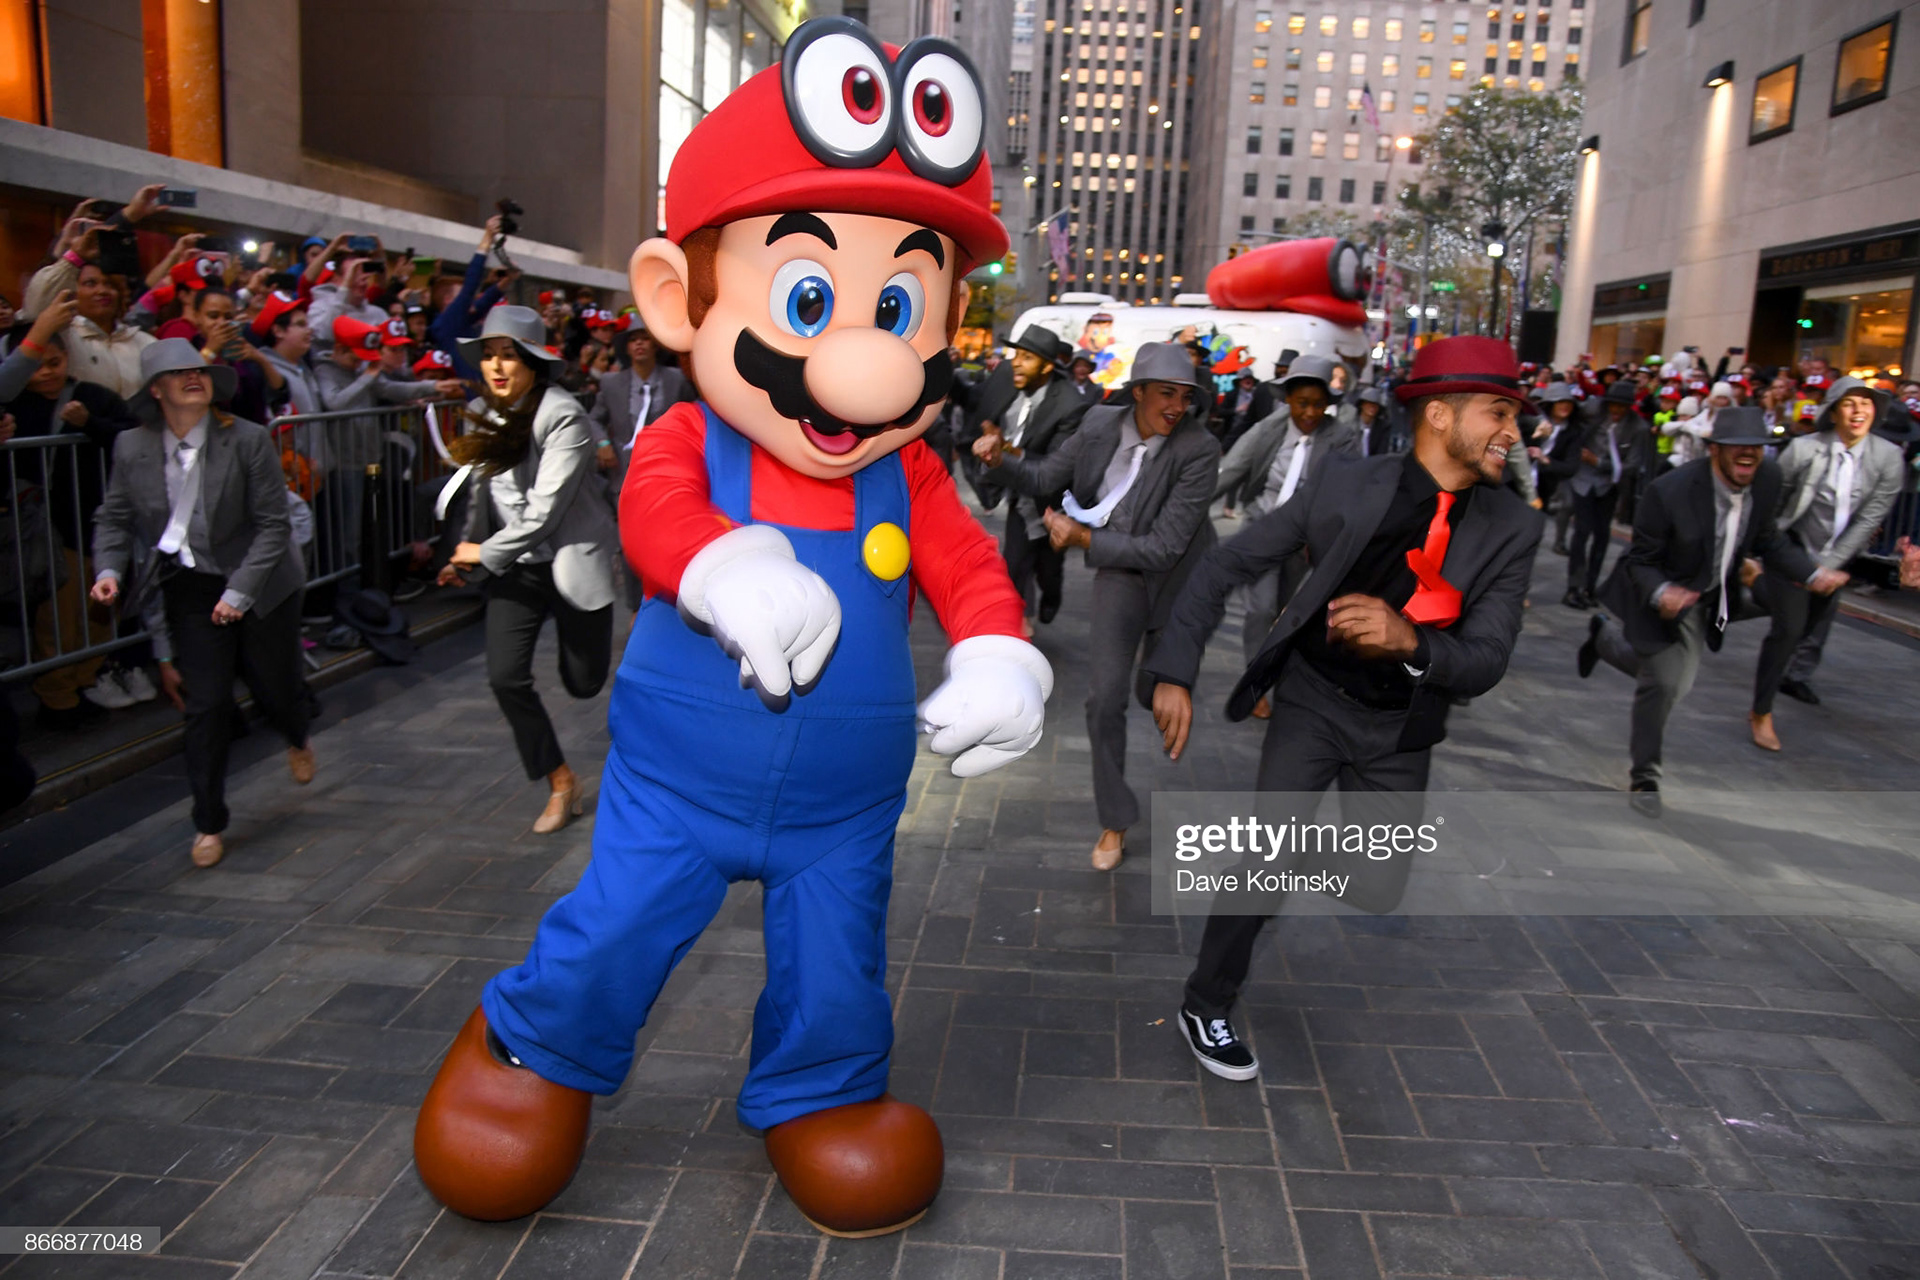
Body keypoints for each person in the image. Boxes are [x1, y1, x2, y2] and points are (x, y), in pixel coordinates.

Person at [414, 23, 1050, 1236]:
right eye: (810, 299)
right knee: (617, 928)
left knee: (838, 965)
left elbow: (968, 562)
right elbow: (653, 509)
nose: (864, 365)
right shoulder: (693, 437)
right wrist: (723, 562)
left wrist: (997, 647)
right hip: (678, 787)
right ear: (677, 296)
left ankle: (820, 1091)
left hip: (846, 807)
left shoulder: (906, 475)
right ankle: (529, 1050)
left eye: (901, 305)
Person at [1143, 335, 1543, 1080]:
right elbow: (1229, 562)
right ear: (1439, 415)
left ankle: (1276, 855)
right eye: (1499, 413)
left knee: (1376, 882)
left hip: (1401, 725)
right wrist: (1174, 670)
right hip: (1315, 701)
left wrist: (1410, 641)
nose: (1514, 434)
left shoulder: (1513, 527)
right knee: (1264, 854)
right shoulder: (1346, 484)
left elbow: (1486, 660)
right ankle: (1207, 1000)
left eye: (1514, 417)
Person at [977, 342, 1220, 870]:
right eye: (1165, 394)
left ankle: (1154, 677)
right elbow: (1044, 478)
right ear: (1137, 392)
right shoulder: (1098, 425)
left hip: (1181, 582)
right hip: (1121, 575)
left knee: (1151, 686)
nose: (1176, 406)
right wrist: (1001, 459)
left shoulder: (1199, 448)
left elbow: (1164, 549)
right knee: (1104, 700)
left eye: (1184, 396)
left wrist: (1085, 540)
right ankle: (1115, 820)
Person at [89, 339, 313, 869]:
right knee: (206, 704)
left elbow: (273, 527)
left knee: (276, 686)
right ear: (156, 390)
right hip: (191, 588)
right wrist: (107, 571)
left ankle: (296, 733)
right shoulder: (132, 448)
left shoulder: (250, 440)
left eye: (201, 370)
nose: (194, 377)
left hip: (260, 582)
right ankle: (208, 821)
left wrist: (239, 595)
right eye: (179, 372)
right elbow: (114, 519)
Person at [1577, 408, 1839, 814]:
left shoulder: (1767, 479)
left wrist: (1814, 572)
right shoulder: (1670, 491)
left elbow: (1767, 538)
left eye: (1757, 448)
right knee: (1665, 685)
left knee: (1673, 674)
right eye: (1739, 448)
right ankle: (1646, 778)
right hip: (1669, 593)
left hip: (1721, 592)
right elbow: (1639, 560)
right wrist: (1663, 592)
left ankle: (1604, 637)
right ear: (1715, 449)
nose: (1749, 455)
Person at [435, 306, 619, 832]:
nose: (495, 366)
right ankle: (560, 780)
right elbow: (478, 493)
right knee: (504, 676)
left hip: (569, 559)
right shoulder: (483, 410)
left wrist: (484, 552)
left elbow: (545, 511)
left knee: (583, 683)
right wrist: (463, 558)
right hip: (514, 566)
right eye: (488, 355)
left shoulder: (563, 415)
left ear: (534, 362)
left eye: (508, 355)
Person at [0, 295, 142, 724]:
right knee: (57, 618)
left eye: (56, 360)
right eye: (37, 363)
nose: (48, 371)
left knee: (99, 609)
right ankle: (56, 693)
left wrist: (89, 425)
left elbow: (134, 438)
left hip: (99, 521)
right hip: (48, 527)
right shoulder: (14, 408)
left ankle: (86, 677)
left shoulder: (93, 396)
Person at [1749, 376, 1904, 747]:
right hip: (1792, 546)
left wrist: (1830, 566)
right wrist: (1772, 553)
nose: (1858, 411)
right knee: (1786, 631)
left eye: (1866, 404)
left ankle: (1751, 587)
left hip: (1839, 556)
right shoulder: (1803, 450)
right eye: (1849, 404)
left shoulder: (1888, 457)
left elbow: (1870, 517)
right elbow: (1774, 505)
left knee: (1807, 626)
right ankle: (1761, 712)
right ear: (1833, 411)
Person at [1233, 355, 1361, 713]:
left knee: (1287, 614)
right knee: (1260, 608)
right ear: (1288, 399)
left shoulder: (1341, 439)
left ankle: (1284, 674)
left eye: (1318, 405)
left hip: (1305, 540)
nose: (1309, 413)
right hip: (1263, 528)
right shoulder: (1269, 429)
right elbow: (1234, 468)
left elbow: (1348, 494)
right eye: (1302, 403)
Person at [967, 326, 1089, 626]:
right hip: (1020, 496)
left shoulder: (1070, 404)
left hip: (1052, 501)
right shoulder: (1009, 377)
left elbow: (1054, 467)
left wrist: (1006, 448)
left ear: (1047, 366)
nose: (1017, 363)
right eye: (1016, 355)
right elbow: (975, 402)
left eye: (1027, 357)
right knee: (1014, 563)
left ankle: (1051, 595)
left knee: (1048, 568)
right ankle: (1013, 621)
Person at [586, 318, 696, 574]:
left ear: (655, 344)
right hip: (625, 473)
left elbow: (695, 412)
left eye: (644, 338)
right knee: (631, 541)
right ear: (626, 347)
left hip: (667, 473)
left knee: (667, 536)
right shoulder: (611, 383)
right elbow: (593, 418)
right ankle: (635, 604)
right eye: (633, 340)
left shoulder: (676, 380)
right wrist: (602, 442)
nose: (639, 344)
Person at [1563, 379, 1648, 609]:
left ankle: (1590, 587)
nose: (1616, 411)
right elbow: (1572, 413)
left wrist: (1599, 462)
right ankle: (1573, 588)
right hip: (1583, 481)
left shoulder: (1638, 428)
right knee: (1581, 533)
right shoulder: (1593, 411)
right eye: (1613, 405)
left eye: (1622, 406)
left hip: (1609, 484)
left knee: (1602, 536)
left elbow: (1633, 465)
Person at [1528, 382, 1582, 554]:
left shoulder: (1572, 433)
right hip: (1517, 480)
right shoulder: (1533, 421)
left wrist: (1546, 460)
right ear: (1550, 403)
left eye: (1568, 402)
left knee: (1531, 534)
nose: (1565, 406)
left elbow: (1570, 467)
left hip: (1544, 488)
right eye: (1559, 401)